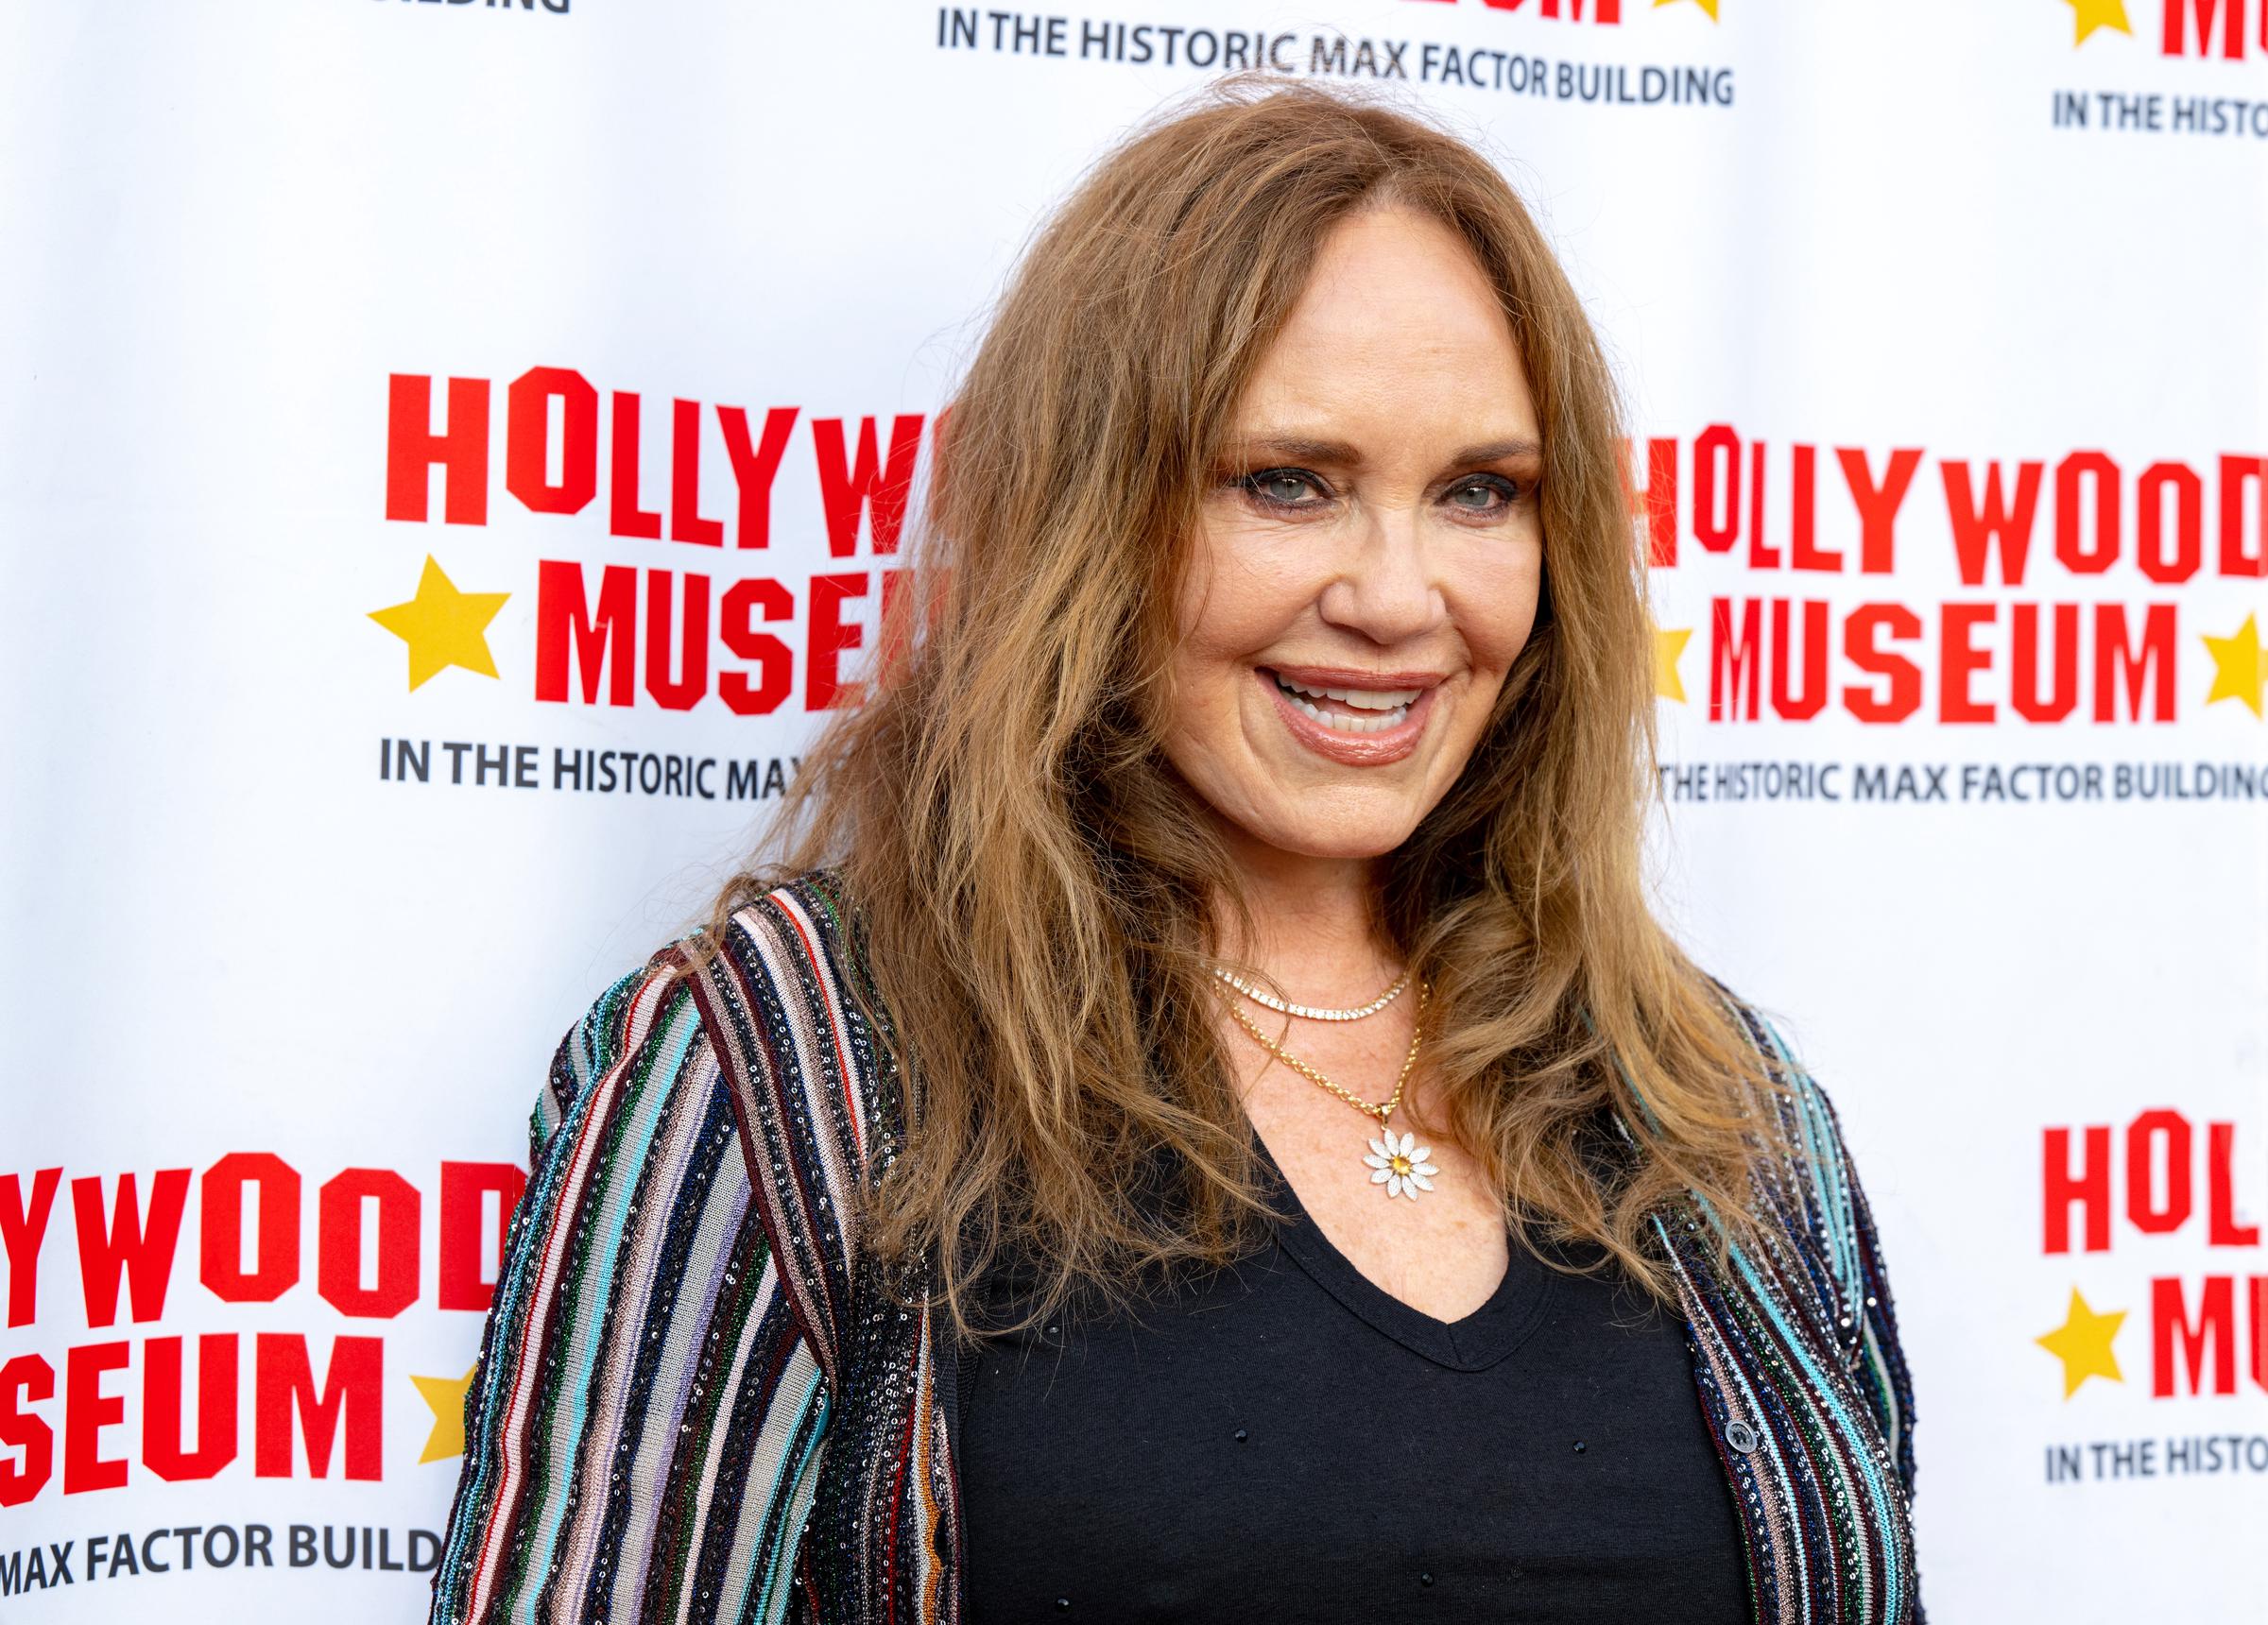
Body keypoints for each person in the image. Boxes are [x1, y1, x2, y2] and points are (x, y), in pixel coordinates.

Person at [427, 79, 1921, 1625]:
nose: (1402, 597)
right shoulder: (789, 1066)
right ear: (1090, 515)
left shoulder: (1717, 1108)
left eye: (1482, 492)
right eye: (1288, 482)